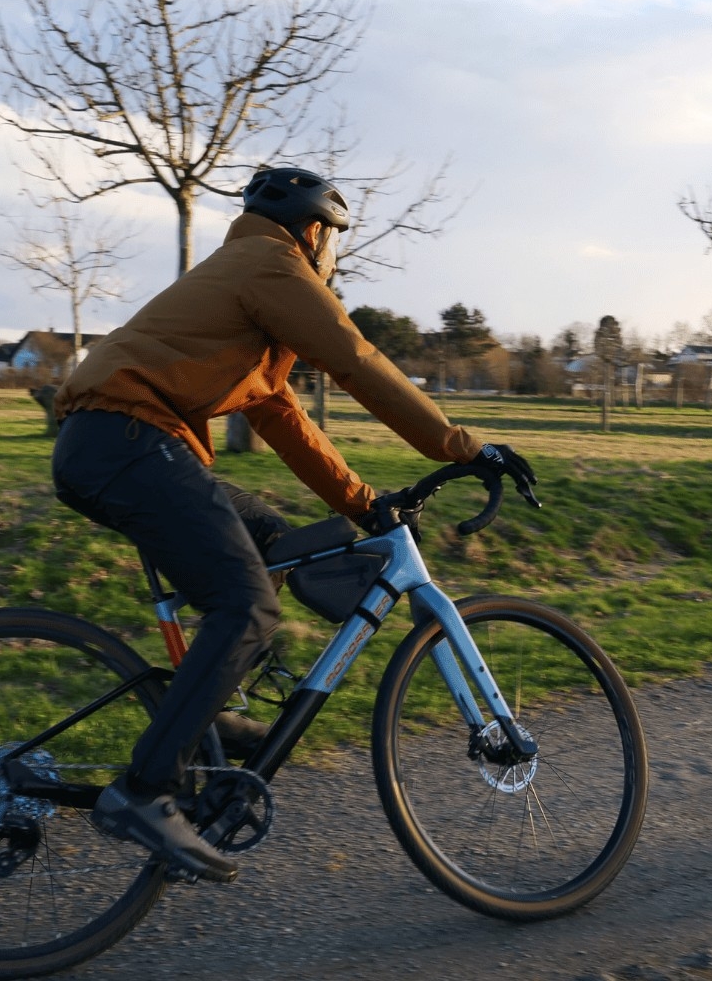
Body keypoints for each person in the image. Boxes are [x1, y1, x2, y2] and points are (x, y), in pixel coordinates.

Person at [49, 167, 535, 882]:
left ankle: (201, 717)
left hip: (117, 445)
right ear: (315, 232)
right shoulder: (272, 265)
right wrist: (461, 445)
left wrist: (363, 502)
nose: (333, 259)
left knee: (272, 544)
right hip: (125, 441)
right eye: (334, 243)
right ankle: (144, 791)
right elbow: (355, 358)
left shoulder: (248, 278)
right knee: (246, 602)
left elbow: (281, 414)